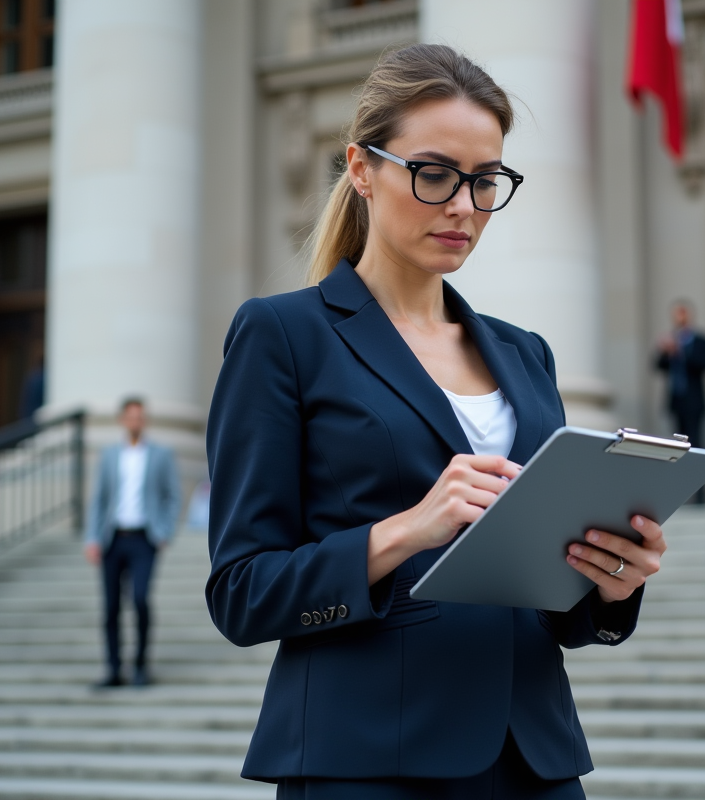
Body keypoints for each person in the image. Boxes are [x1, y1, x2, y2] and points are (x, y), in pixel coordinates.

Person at [206, 44, 667, 799]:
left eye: (485, 181)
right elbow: (242, 592)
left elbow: (559, 609)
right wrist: (406, 530)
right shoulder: (283, 335)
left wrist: (613, 582)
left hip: (536, 761)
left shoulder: (527, 357)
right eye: (434, 173)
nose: (463, 205)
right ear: (361, 168)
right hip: (366, 763)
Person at [84, 397, 181, 688]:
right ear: (122, 420)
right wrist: (92, 537)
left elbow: (172, 495)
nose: (135, 422)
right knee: (111, 607)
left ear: (145, 420)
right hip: (113, 538)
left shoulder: (162, 454)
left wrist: (164, 531)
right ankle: (113, 669)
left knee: (140, 599)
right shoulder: (110, 455)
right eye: (130, 417)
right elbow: (99, 499)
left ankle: (140, 666)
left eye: (140, 417)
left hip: (144, 539)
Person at [653, 299, 705, 502]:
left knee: (697, 446)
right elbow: (657, 366)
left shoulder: (701, 341)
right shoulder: (670, 340)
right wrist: (665, 350)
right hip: (677, 402)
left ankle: (702, 495)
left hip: (695, 402)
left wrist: (681, 352)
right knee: (678, 449)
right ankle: (683, 493)